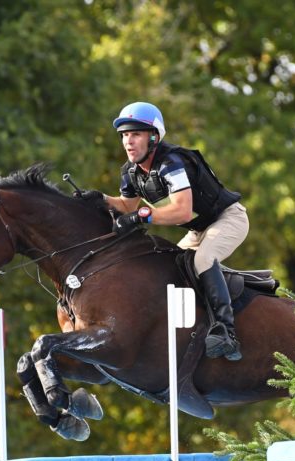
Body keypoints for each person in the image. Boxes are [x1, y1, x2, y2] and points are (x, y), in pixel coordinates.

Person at [98, 101, 248, 361]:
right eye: (124, 135)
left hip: (228, 219)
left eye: (135, 134)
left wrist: (141, 216)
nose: (127, 142)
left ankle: (226, 333)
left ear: (153, 137)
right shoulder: (131, 172)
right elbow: (126, 206)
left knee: (202, 260)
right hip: (198, 229)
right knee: (171, 268)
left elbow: (181, 211)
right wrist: (96, 199)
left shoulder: (172, 163)